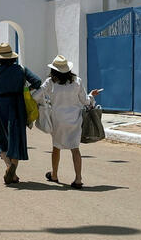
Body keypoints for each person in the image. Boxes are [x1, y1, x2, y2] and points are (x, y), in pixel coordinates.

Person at [36, 56, 101, 189]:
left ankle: (54, 175)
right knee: (75, 148)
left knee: (56, 147)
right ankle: (78, 178)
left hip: (58, 120)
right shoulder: (77, 81)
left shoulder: (50, 82)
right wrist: (92, 96)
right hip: (75, 119)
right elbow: (85, 101)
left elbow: (36, 96)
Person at [0, 42, 42, 184]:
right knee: (16, 137)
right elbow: (38, 81)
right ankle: (13, 170)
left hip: (1, 104)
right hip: (18, 103)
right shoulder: (21, 69)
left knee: (0, 137)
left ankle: (9, 166)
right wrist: (26, 90)